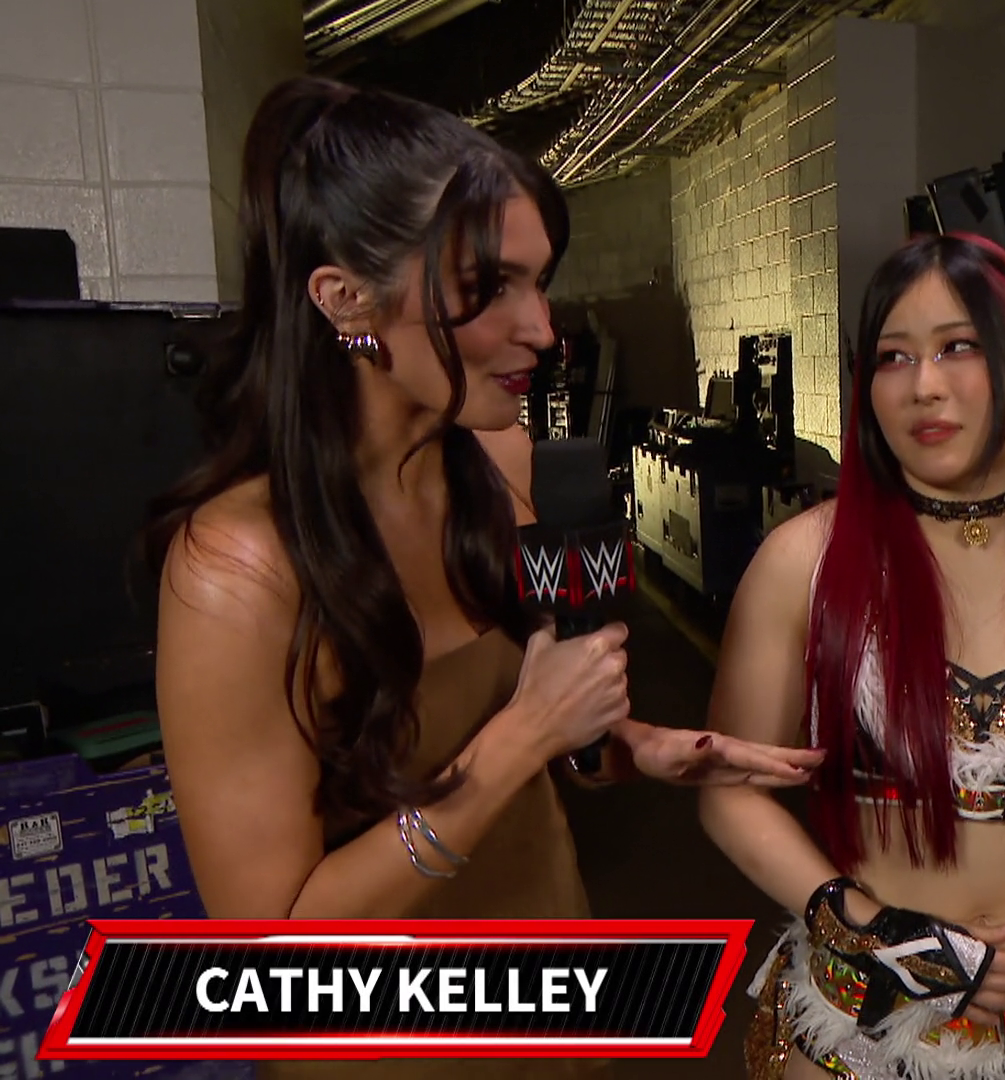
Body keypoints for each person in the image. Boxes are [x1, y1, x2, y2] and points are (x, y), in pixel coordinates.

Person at [143, 76, 818, 1075]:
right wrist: (523, 738)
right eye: (490, 287)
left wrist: (629, 745)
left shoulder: (496, 468)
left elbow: (534, 715)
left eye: (539, 282)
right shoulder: (235, 570)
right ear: (346, 299)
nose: (542, 328)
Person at [699, 232, 1005, 1080]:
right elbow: (729, 792)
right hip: (869, 1030)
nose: (924, 385)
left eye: (959, 347)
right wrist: (887, 937)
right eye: (894, 357)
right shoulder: (803, 565)